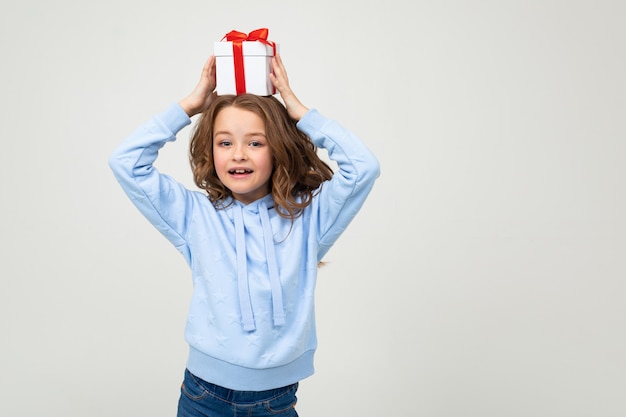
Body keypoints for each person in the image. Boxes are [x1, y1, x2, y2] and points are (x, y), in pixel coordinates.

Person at [109, 53, 380, 417]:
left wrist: (299, 111)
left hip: (275, 401)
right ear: (210, 149)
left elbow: (363, 168)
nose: (238, 154)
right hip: (202, 395)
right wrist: (190, 106)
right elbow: (126, 162)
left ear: (279, 147)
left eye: (255, 142)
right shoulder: (195, 216)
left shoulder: (309, 218)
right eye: (225, 142)